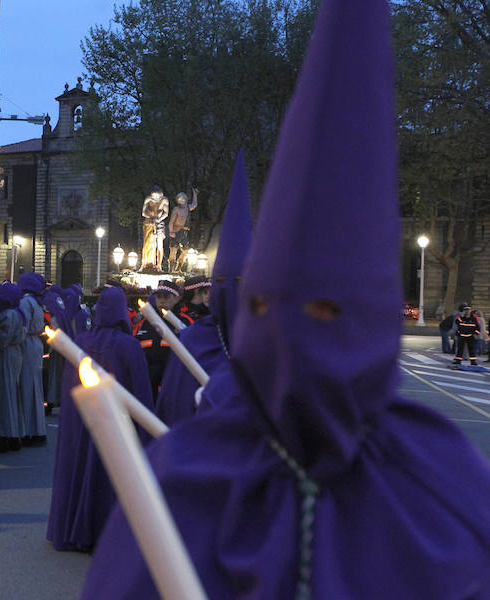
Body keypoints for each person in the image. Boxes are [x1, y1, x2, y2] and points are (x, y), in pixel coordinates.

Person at [82, 1, 490, 596]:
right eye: (266, 307)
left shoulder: (445, 487)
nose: (298, 338)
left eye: (329, 312)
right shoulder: (186, 479)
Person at [47, 286, 154, 552]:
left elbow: (69, 388)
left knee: (80, 468)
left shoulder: (82, 342)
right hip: (116, 421)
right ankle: (106, 531)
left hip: (82, 421)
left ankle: (73, 527)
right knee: (108, 474)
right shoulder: (129, 346)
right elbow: (140, 391)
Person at [155, 151, 252, 425]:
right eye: (222, 282)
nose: (231, 292)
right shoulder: (192, 341)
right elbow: (173, 409)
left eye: (241, 283)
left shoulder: (278, 340)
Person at [0, 282, 25, 453]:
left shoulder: (9, 315)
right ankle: (11, 433)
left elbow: (2, 340)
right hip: (11, 354)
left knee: (3, 396)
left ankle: (3, 434)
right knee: (9, 395)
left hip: (5, 356)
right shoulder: (14, 313)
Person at [134, 280, 187, 399]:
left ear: (176, 298)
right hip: (148, 385)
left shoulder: (184, 322)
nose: (162, 300)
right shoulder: (144, 323)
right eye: (158, 297)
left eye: (166, 297)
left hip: (172, 385)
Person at [18, 273, 47, 446]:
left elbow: (23, 326)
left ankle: (28, 430)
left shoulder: (25, 302)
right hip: (36, 343)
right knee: (36, 387)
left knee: (27, 387)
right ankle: (38, 429)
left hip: (27, 343)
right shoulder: (36, 302)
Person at [166, 189, 197, 272]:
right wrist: (171, 231)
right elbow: (171, 221)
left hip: (184, 231)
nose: (182, 201)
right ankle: (171, 268)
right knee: (173, 249)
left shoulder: (187, 207)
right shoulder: (176, 209)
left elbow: (194, 204)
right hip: (176, 231)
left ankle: (178, 267)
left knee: (186, 250)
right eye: (180, 199)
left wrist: (195, 193)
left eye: (183, 199)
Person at [141, 186, 169, 271]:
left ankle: (159, 265)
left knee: (160, 244)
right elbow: (143, 212)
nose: (156, 198)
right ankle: (144, 264)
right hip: (149, 222)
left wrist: (158, 219)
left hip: (159, 222)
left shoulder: (164, 200)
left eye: (158, 196)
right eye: (154, 196)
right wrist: (152, 217)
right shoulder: (148, 199)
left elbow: (166, 213)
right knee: (147, 244)